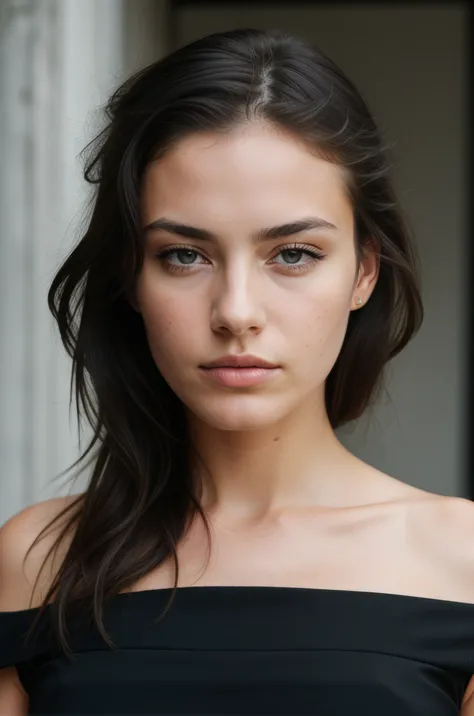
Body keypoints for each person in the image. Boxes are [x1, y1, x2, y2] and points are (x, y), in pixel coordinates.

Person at [0, 25, 472, 716]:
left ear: (364, 271)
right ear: (131, 277)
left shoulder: (461, 562)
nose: (237, 312)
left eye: (294, 254)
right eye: (184, 256)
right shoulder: (36, 559)